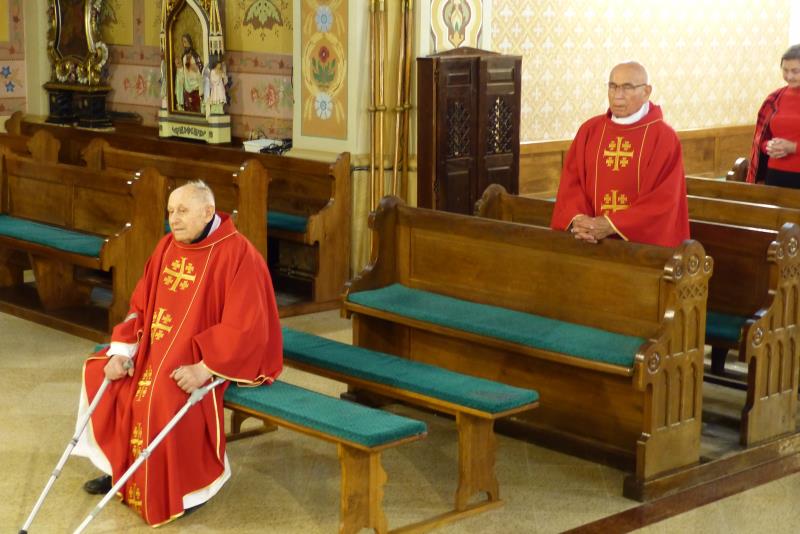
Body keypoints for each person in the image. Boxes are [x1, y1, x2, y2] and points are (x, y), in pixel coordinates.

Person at [72, 181, 283, 526]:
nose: (174, 219)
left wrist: (205, 368)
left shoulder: (239, 255)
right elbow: (140, 306)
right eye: (170, 211)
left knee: (162, 396)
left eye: (183, 211)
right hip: (154, 348)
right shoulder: (167, 246)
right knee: (104, 375)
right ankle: (120, 473)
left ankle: (188, 491)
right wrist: (121, 351)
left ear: (208, 212)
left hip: (203, 357)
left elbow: (248, 327)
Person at [551, 61, 689, 247]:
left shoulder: (663, 138)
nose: (617, 95)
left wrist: (612, 224)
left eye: (627, 87)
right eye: (613, 86)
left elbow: (663, 200)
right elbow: (571, 184)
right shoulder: (589, 130)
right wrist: (580, 220)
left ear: (646, 92)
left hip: (639, 249)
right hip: (588, 243)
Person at [746, 44, 800, 186]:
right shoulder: (775, 98)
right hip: (775, 174)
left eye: (795, 71)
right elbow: (761, 139)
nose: (789, 76)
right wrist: (768, 146)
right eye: (785, 70)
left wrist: (793, 147)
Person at [175, 34, 203, 112]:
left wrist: (192, 66)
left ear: (189, 42)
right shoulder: (184, 55)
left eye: (185, 41)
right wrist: (180, 66)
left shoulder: (194, 54)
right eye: (183, 42)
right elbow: (183, 68)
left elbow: (198, 67)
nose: (184, 44)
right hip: (187, 83)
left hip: (194, 82)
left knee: (195, 105)